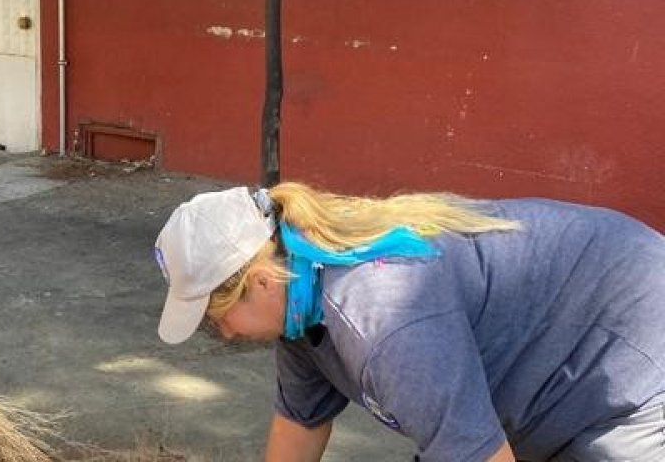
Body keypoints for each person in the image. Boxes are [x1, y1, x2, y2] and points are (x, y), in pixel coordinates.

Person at [153, 183, 665, 462]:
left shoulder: (383, 321)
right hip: (552, 367)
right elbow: (299, 428)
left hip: (633, 342)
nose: (224, 333)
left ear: (262, 281)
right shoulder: (300, 302)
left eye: (220, 317)